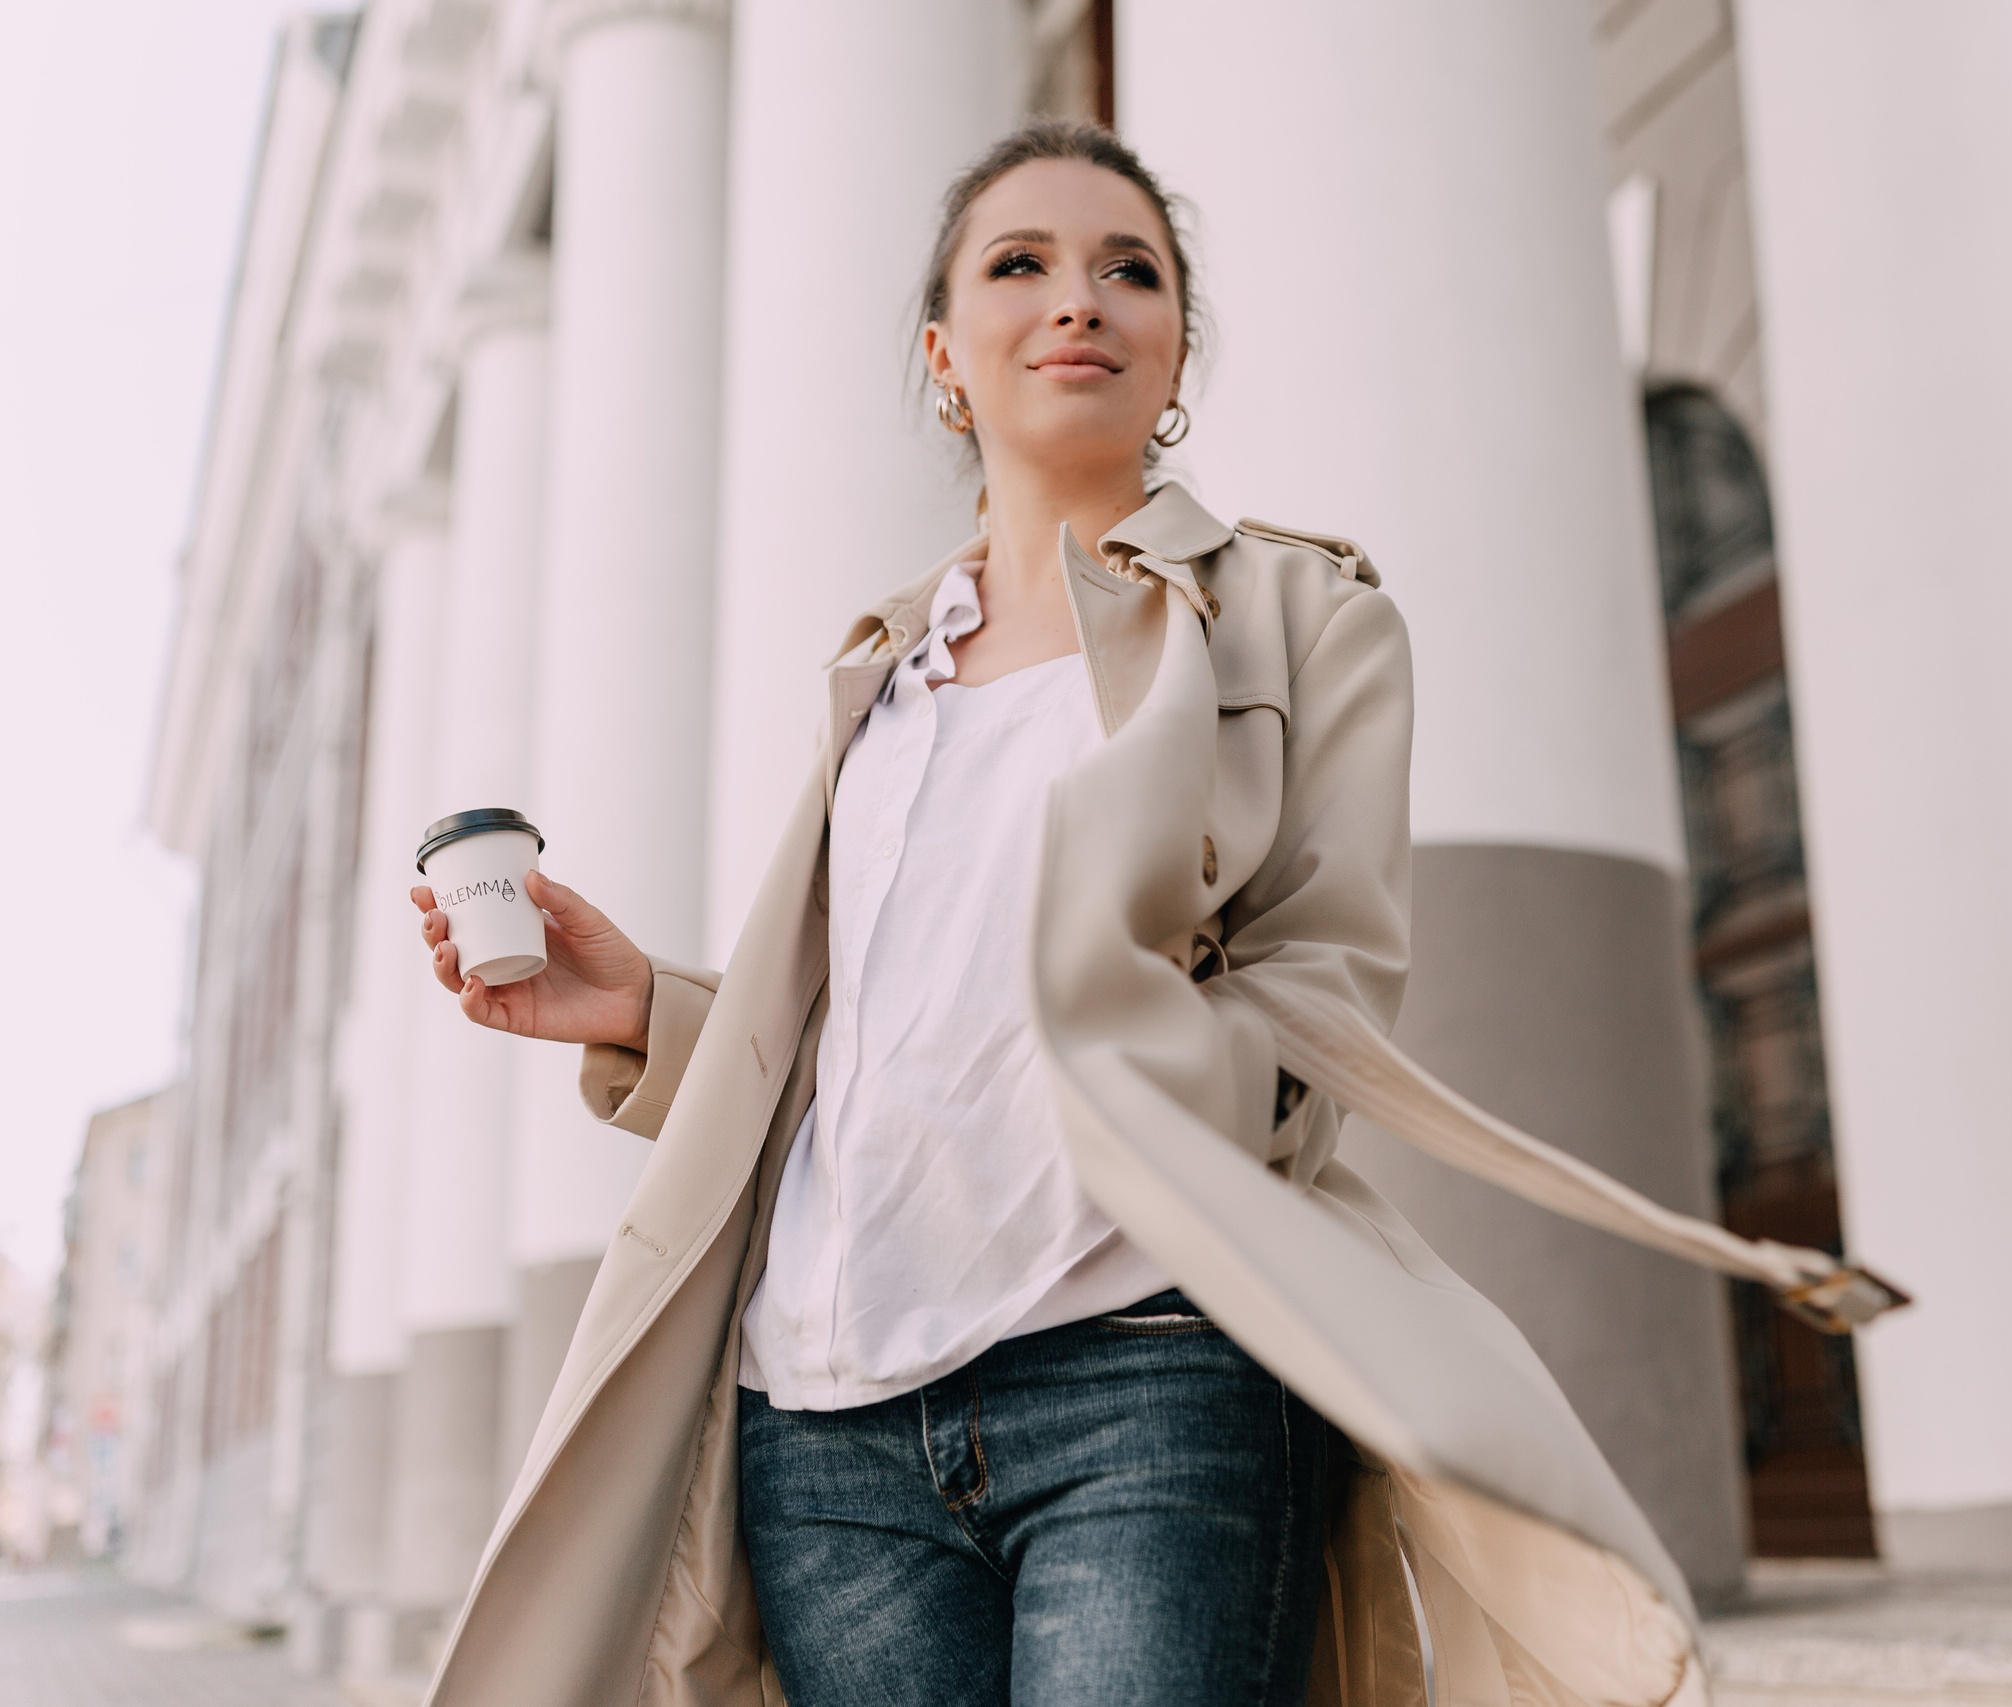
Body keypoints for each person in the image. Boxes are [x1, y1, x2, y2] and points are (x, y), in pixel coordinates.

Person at [409, 121, 1897, 1707]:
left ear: (1173, 348)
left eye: (1132, 270)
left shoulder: (1296, 617)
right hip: (827, 1428)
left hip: (1149, 1367)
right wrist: (646, 1012)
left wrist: (1149, 1062)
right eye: (1021, 265)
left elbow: (1323, 984)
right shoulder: (880, 679)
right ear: (944, 357)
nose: (1082, 299)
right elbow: (877, 1044)